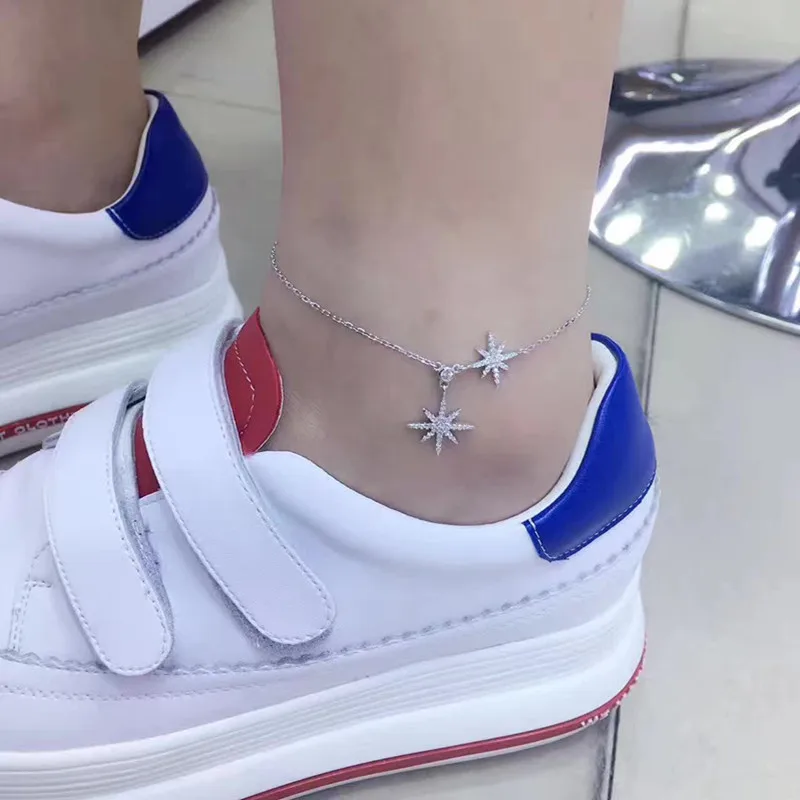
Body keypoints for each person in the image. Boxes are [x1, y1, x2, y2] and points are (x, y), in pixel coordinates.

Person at [0, 1, 658, 797]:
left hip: (451, 423)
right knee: (28, 107)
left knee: (420, 320)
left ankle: (430, 437)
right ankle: (41, 146)